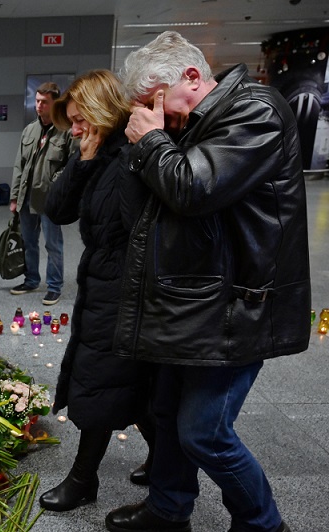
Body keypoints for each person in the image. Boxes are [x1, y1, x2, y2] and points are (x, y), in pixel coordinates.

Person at [106, 31, 309, 532]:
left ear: (192, 77)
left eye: (157, 103)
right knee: (170, 413)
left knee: (204, 432)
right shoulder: (199, 121)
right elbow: (147, 208)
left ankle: (263, 523)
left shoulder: (255, 109)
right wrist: (151, 142)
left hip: (240, 303)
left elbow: (192, 187)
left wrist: (153, 139)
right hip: (198, 297)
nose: (157, 117)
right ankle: (168, 510)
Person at [39, 70, 153, 513]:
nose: (77, 128)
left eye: (82, 119)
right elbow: (57, 209)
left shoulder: (132, 156)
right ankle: (164, 461)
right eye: (73, 121)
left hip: (124, 287)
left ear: (105, 108)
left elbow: (140, 228)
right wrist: (82, 161)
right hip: (102, 279)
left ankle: (83, 479)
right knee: (130, 382)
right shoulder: (98, 153)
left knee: (101, 380)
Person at [9, 82, 75, 306]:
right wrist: (14, 196)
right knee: (29, 241)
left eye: (44, 102)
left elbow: (72, 164)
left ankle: (54, 286)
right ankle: (31, 280)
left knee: (53, 244)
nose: (39, 105)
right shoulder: (30, 130)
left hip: (50, 199)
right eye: (37, 101)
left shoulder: (66, 131)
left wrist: (54, 184)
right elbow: (19, 165)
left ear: (55, 103)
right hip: (27, 197)